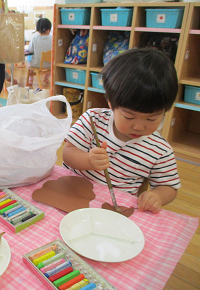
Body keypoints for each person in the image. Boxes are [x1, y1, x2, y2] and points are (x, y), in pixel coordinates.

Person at [62, 48, 180, 214]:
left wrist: (157, 196)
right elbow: (67, 153)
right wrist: (88, 160)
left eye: (151, 119)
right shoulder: (93, 120)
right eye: (129, 117)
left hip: (114, 210)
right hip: (72, 194)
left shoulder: (160, 149)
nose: (139, 126)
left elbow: (169, 186)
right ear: (111, 103)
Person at [27, 18, 52, 86]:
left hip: (37, 64)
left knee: (29, 65)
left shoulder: (34, 39)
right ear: (49, 29)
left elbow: (30, 50)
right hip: (50, 64)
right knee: (52, 67)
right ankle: (46, 78)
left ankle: (30, 80)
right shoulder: (52, 38)